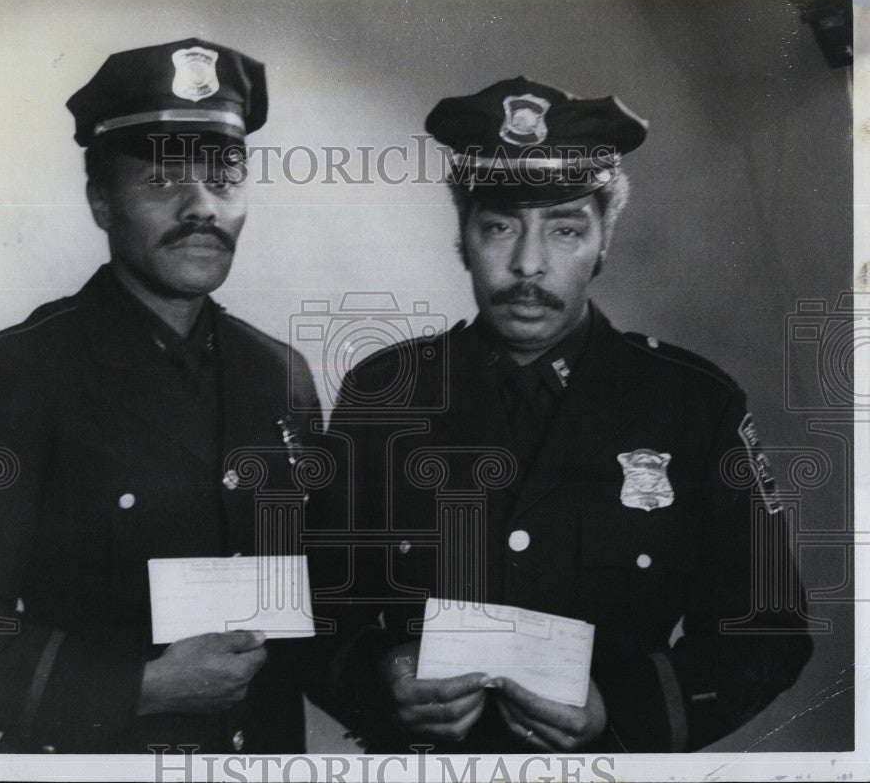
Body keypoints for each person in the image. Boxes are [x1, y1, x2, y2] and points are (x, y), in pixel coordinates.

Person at [309, 77, 813, 753]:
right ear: (462, 237)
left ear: (604, 239)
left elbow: (770, 629)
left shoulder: (694, 406)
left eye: (565, 229)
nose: (527, 264)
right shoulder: (383, 396)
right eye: (498, 226)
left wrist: (622, 707)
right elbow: (311, 605)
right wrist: (383, 672)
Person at [0, 38, 320, 754]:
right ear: (100, 202)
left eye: (224, 179)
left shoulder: (277, 373)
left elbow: (316, 599)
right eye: (162, 182)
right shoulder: (17, 370)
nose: (201, 207)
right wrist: (138, 686)